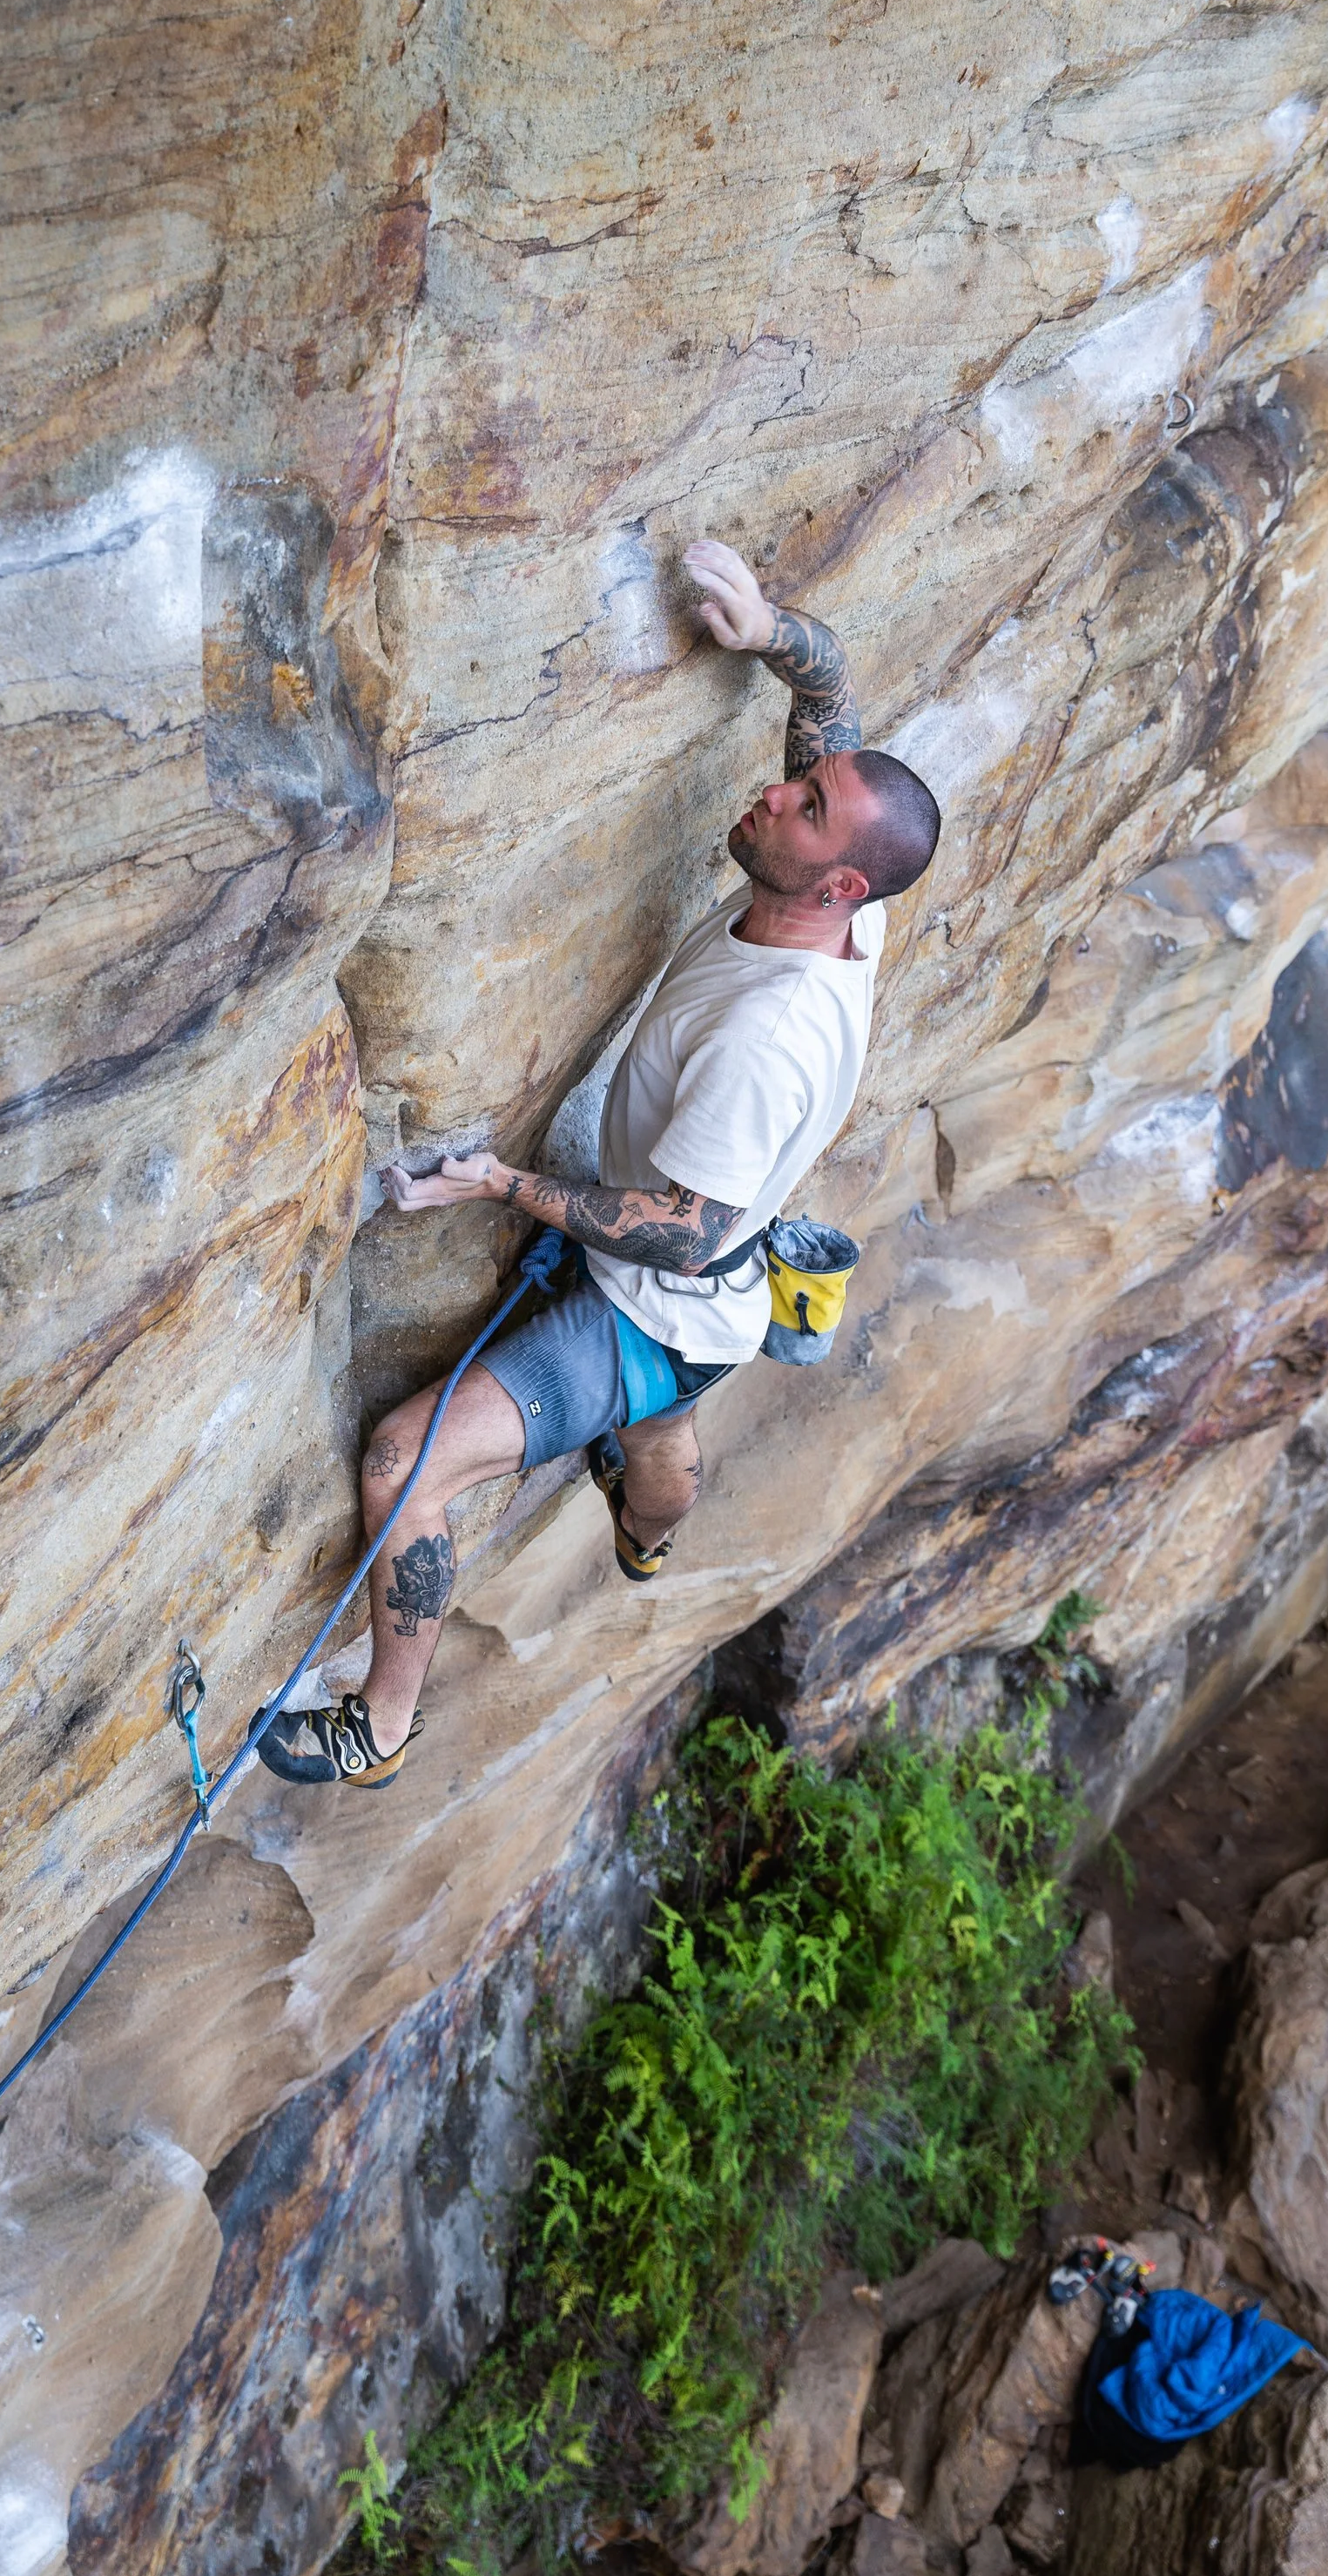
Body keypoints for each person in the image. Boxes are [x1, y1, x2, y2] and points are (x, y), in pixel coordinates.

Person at [256, 536, 942, 1790]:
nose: (779, 792)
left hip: (656, 1295)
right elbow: (831, 703)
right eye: (802, 784)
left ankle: (384, 1725)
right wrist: (766, 632)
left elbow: (674, 1226)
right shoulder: (849, 899)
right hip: (714, 1310)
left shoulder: (766, 1039)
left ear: (835, 876)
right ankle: (646, 1534)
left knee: (408, 1463)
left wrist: (501, 1184)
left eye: (804, 806)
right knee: (667, 1421)